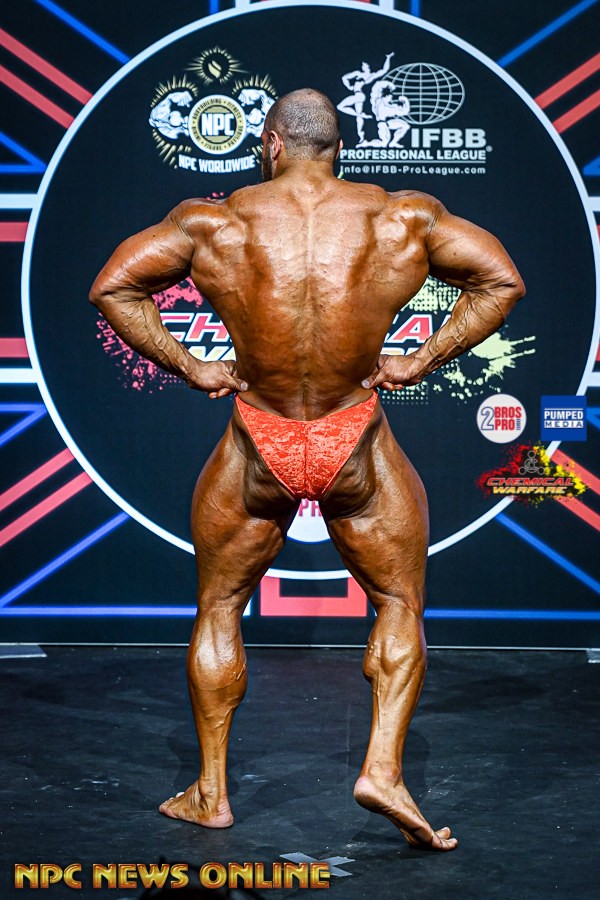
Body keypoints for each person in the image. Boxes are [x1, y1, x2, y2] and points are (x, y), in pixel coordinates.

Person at [90, 88, 525, 852]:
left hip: (257, 437)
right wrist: (421, 358)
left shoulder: (212, 222)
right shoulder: (401, 217)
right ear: (338, 149)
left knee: (221, 604)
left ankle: (211, 793)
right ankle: (382, 769)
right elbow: (501, 280)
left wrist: (190, 364)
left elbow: (113, 286)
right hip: (352, 435)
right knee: (398, 601)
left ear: (270, 144)